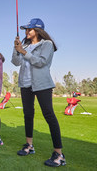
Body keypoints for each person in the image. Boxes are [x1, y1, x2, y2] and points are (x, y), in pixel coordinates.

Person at [12, 18, 65, 167]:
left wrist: (23, 51)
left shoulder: (46, 44)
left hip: (42, 84)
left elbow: (41, 62)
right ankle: (29, 146)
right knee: (28, 114)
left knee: (49, 115)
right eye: (25, 30)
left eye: (29, 29)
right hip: (25, 84)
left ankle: (59, 154)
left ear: (38, 30)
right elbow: (16, 62)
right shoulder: (26, 45)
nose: (26, 32)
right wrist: (16, 48)